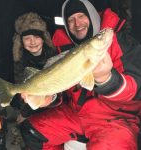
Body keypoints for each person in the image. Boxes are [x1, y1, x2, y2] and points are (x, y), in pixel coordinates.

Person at [16, 0, 141, 150]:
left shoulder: (123, 42)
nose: (77, 23)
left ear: (93, 16)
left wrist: (107, 80)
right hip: (76, 114)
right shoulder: (62, 49)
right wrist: (51, 98)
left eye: (82, 16)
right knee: (31, 131)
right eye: (70, 19)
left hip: (116, 119)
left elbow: (137, 88)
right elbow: (64, 91)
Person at [10, 12, 66, 148]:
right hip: (30, 100)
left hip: (55, 98)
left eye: (36, 37)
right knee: (24, 125)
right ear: (21, 42)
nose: (33, 42)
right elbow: (22, 89)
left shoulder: (54, 54)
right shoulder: (20, 61)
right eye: (27, 38)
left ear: (43, 38)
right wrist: (24, 114)